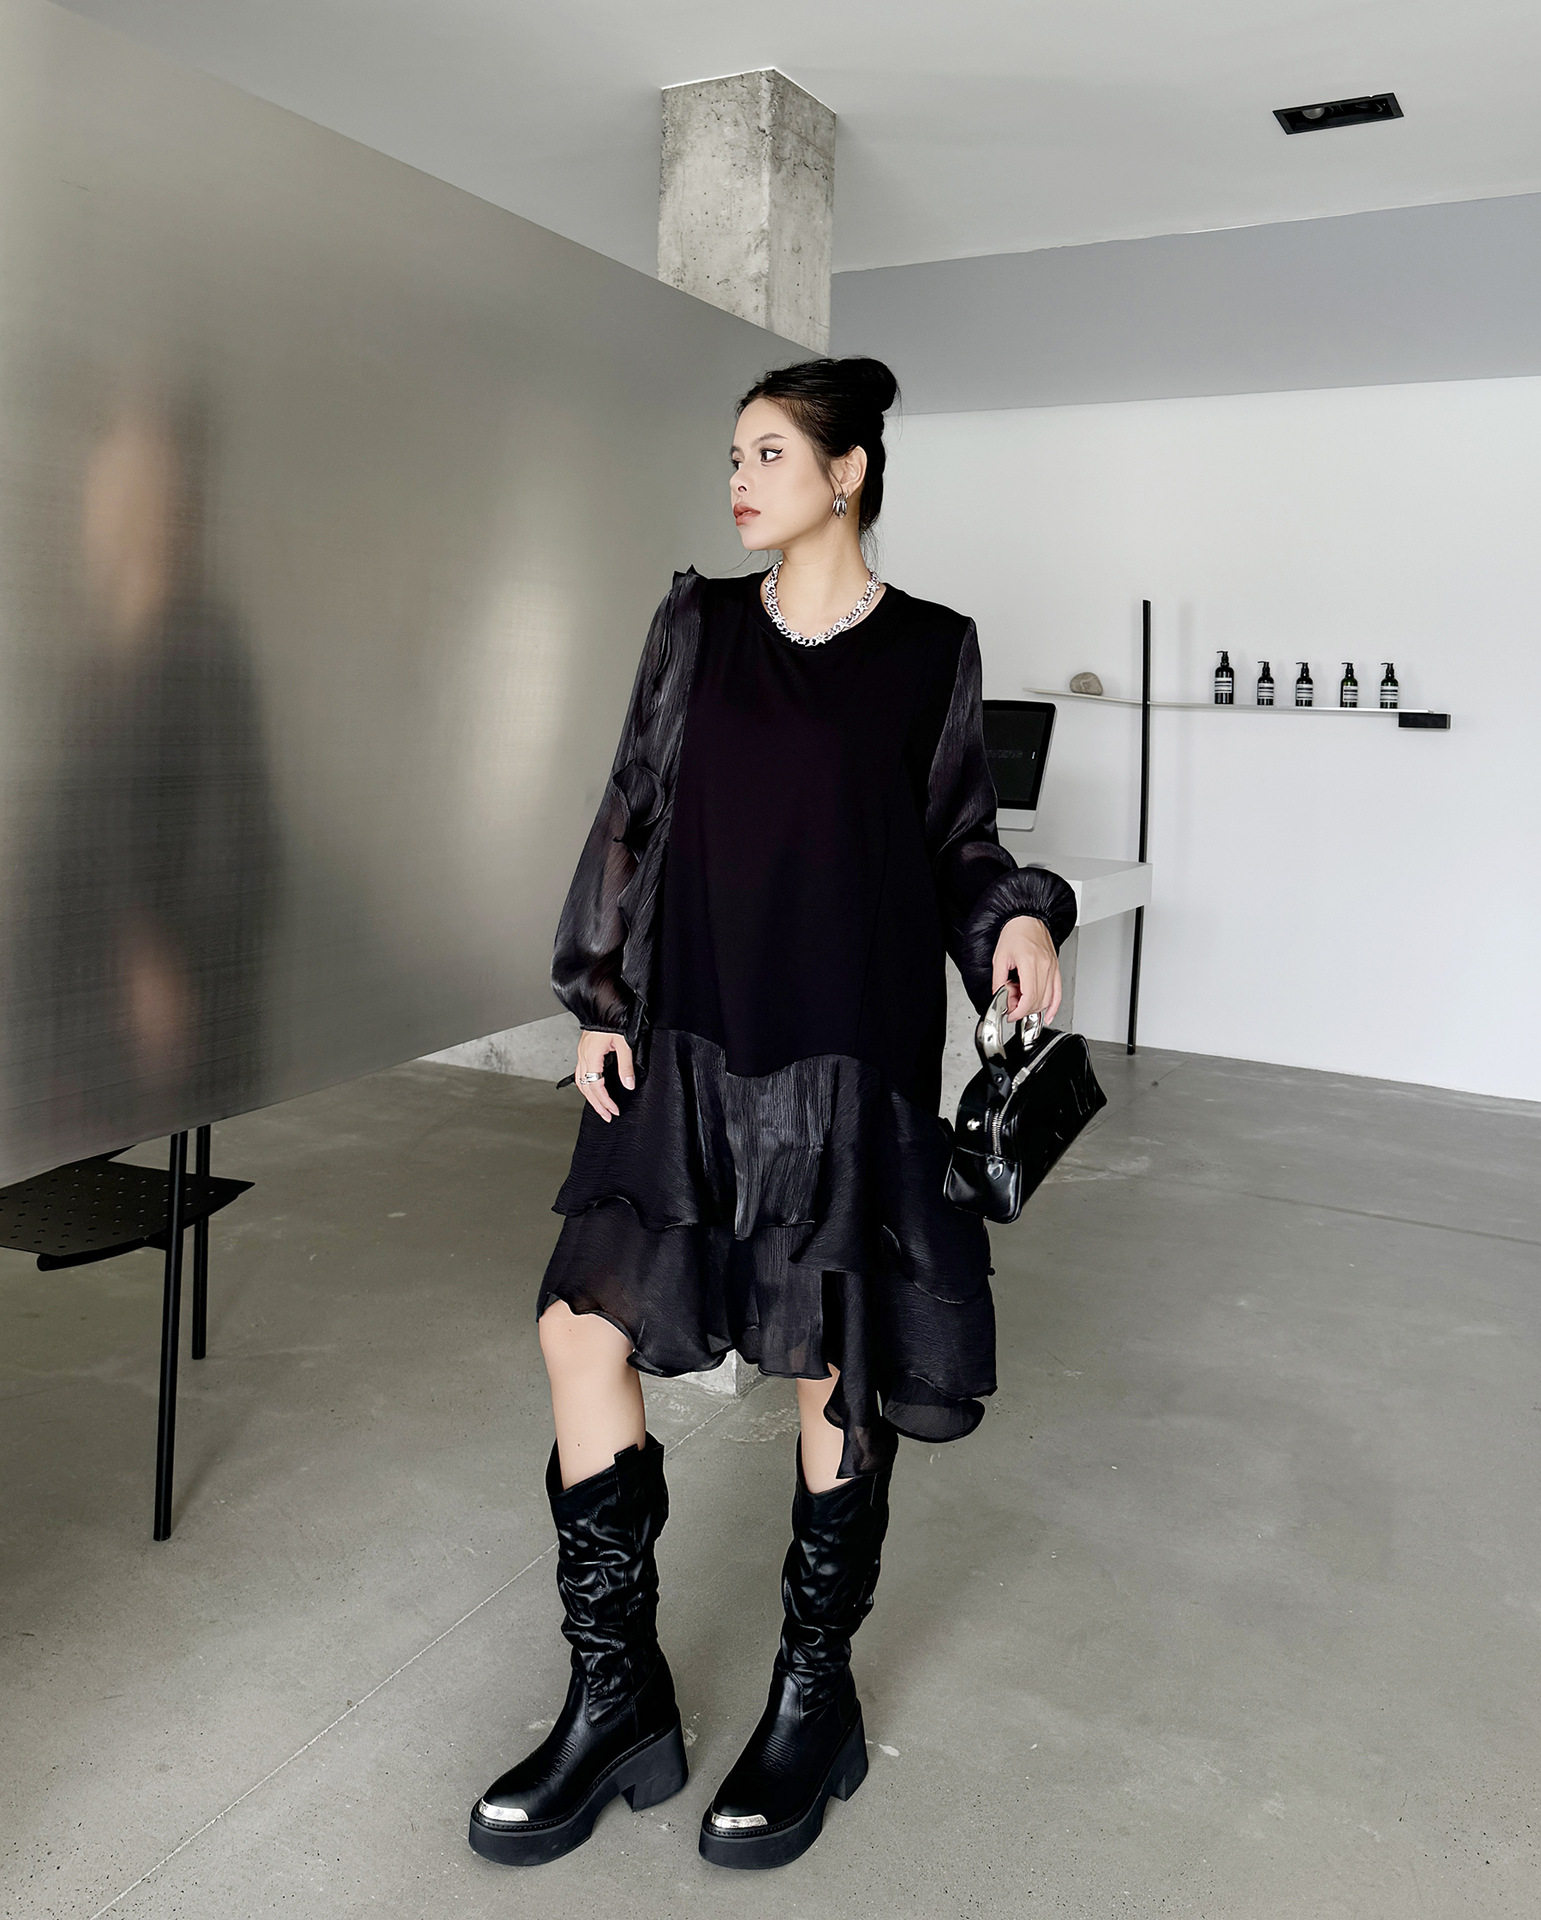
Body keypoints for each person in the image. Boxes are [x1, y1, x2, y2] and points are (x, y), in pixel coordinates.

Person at [468, 355, 1076, 1871]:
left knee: (827, 1368)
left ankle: (815, 1698)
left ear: (847, 472)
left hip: (845, 1057)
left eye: (768, 454)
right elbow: (634, 807)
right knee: (579, 1328)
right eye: (733, 455)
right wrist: (599, 996)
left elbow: (955, 835)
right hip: (685, 1039)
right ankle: (616, 1696)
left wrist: (1014, 915)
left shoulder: (930, 648)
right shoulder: (697, 626)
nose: (738, 480)